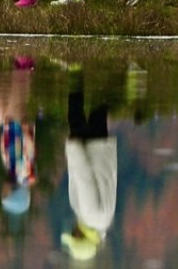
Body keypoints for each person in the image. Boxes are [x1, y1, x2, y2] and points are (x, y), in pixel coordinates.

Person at [60, 66, 118, 263]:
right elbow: (84, 179)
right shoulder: (90, 215)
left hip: (101, 150)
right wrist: (73, 149)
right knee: (75, 113)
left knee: (99, 108)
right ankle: (76, 69)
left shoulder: (103, 222)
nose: (72, 231)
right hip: (88, 149)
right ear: (81, 237)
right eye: (74, 236)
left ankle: (111, 68)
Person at [0, 62, 38, 217]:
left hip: (7, 126)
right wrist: (26, 132)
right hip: (18, 126)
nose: (2, 191)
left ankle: (6, 64)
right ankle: (24, 63)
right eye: (5, 194)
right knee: (18, 93)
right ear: (14, 192)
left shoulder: (11, 171)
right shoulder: (23, 173)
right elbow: (29, 152)